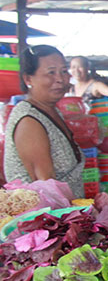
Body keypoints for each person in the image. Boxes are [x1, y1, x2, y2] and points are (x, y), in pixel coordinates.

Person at [4, 45, 85, 198]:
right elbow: (46, 189)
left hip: (68, 213)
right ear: (28, 79)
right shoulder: (29, 121)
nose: (60, 79)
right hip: (48, 217)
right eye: (51, 72)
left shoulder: (50, 110)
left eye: (63, 71)